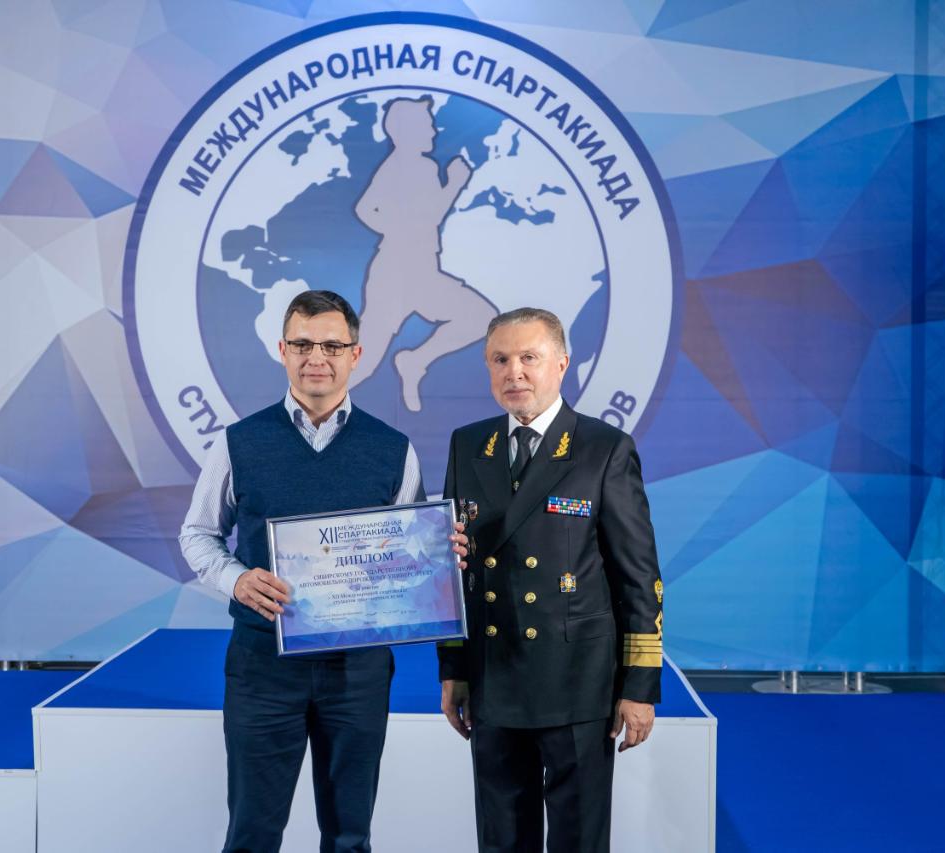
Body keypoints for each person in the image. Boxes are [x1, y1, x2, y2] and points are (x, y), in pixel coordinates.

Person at [180, 289, 459, 853]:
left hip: (357, 672)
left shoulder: (393, 449)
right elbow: (198, 534)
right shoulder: (238, 443)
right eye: (303, 344)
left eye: (332, 346)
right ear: (282, 350)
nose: (317, 358)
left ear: (356, 355)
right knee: (252, 834)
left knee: (350, 837)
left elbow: (411, 558)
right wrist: (237, 579)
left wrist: (438, 555)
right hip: (263, 667)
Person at [437, 307, 664, 853]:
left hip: (577, 681)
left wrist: (638, 686)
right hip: (495, 677)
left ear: (561, 364)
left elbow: (638, 576)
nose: (514, 372)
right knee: (501, 840)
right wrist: (454, 669)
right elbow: (455, 571)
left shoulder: (604, 448)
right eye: (500, 360)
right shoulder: (469, 445)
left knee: (577, 841)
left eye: (529, 358)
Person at [349, 96, 497, 412]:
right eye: (428, 125)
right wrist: (455, 183)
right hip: (393, 273)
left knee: (480, 317)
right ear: (409, 131)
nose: (434, 130)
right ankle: (309, 412)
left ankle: (415, 361)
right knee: (365, 362)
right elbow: (367, 209)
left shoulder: (422, 167)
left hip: (422, 273)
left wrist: (402, 224)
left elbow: (425, 217)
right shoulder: (401, 167)